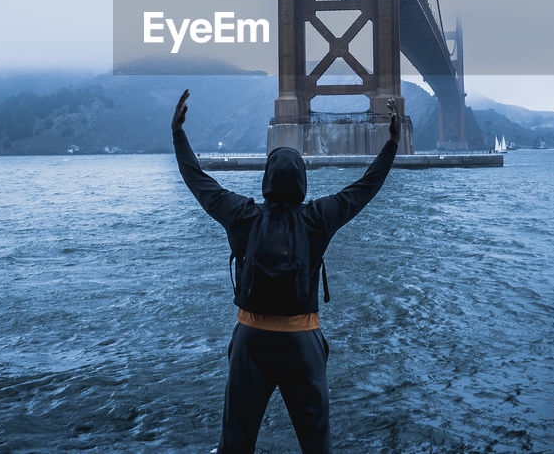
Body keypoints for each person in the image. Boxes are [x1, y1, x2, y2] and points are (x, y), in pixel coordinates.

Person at [171, 89, 400, 454]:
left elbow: (198, 181)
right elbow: (365, 187)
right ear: (302, 181)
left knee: (236, 443)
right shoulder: (318, 219)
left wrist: (178, 135)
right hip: (302, 342)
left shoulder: (242, 216)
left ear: (267, 177)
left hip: (251, 342)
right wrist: (391, 143)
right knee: (316, 445)